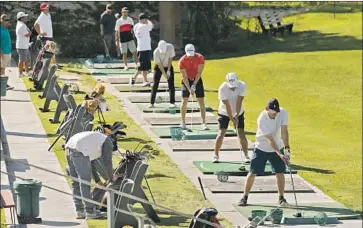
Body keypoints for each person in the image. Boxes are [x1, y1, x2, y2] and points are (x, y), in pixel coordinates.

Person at [237, 98, 291, 206]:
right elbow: (270, 139)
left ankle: (281, 198)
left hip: (278, 146)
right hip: (261, 147)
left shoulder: (283, 112)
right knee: (253, 172)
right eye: (272, 112)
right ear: (266, 109)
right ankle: (244, 197)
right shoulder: (261, 119)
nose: (275, 114)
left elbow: (284, 131)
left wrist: (286, 148)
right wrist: (280, 154)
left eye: (276, 112)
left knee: (280, 172)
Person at [65, 131, 116, 219]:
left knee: (76, 182)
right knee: (84, 182)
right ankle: (90, 212)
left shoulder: (95, 142)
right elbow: (107, 162)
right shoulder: (108, 142)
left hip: (69, 146)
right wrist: (111, 179)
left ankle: (80, 211)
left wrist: (97, 181)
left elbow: (92, 163)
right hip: (78, 148)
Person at [213, 73, 250, 163]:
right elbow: (227, 106)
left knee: (241, 133)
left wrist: (236, 115)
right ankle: (216, 155)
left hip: (239, 111)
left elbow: (239, 101)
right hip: (224, 112)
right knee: (221, 133)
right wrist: (232, 118)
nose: (233, 87)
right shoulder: (222, 88)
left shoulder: (242, 85)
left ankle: (246, 155)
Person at [178, 43, 209, 130]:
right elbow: (184, 76)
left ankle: (203, 123)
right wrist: (189, 88)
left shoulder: (200, 58)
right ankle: (183, 122)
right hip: (186, 81)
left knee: (201, 101)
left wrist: (194, 85)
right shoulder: (182, 61)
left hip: (197, 80)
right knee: (184, 100)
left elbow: (199, 73)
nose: (191, 57)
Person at [149, 40, 176, 108]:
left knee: (171, 84)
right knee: (155, 84)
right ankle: (151, 103)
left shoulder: (170, 47)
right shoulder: (156, 52)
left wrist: (169, 70)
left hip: (168, 66)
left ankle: (172, 102)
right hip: (158, 67)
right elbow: (159, 64)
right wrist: (164, 74)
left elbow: (170, 59)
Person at [130, 13, 153, 87]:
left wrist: (145, 20)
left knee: (144, 66)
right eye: (145, 19)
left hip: (144, 48)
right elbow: (151, 26)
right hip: (143, 48)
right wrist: (147, 20)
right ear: (142, 19)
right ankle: (142, 80)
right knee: (142, 66)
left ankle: (137, 79)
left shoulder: (137, 26)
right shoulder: (143, 26)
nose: (147, 20)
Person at [34, 2, 58, 66]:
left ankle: (53, 65)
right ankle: (42, 66)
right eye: (46, 8)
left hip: (50, 36)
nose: (48, 8)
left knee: (52, 51)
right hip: (45, 37)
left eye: (47, 7)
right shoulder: (41, 16)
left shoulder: (48, 15)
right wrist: (40, 33)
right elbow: (36, 25)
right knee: (47, 52)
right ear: (43, 9)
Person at [16, 12, 31, 77]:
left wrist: (29, 31)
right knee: (22, 60)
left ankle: (27, 72)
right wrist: (30, 32)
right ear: (21, 18)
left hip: (24, 45)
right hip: (22, 46)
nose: (26, 18)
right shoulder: (22, 25)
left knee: (26, 60)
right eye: (24, 17)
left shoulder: (21, 24)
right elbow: (27, 34)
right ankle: (20, 73)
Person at [0, 14, 13, 90]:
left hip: (7, 51)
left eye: (8, 20)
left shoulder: (5, 28)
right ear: (1, 20)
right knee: (1, 68)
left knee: (3, 68)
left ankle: (3, 83)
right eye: (6, 20)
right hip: (2, 53)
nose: (8, 21)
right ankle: (3, 85)